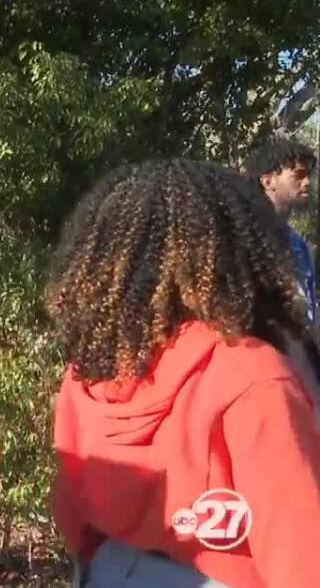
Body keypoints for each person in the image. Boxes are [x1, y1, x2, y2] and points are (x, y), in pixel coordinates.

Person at [44, 159, 320, 587]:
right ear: (240, 252)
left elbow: (71, 513)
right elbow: (303, 560)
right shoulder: (254, 379)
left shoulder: (86, 373)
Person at [244, 139, 318, 324]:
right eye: (298, 175)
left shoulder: (299, 245)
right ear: (268, 181)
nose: (307, 182)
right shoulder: (245, 239)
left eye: (309, 175)